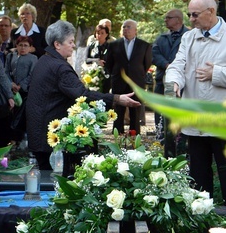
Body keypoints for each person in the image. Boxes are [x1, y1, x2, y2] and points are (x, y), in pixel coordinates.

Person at [26, 20, 140, 170]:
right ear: (57, 44)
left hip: (39, 133)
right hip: (48, 138)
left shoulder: (44, 59)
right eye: (70, 42)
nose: (73, 45)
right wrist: (117, 98)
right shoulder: (59, 67)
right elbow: (82, 94)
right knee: (54, 179)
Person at [165, 0, 226, 198]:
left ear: (211, 12)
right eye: (188, 14)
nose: (190, 20)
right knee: (198, 180)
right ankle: (201, 222)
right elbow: (178, 65)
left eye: (194, 15)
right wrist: (174, 82)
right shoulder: (189, 37)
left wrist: (216, 73)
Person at [105, 19, 152, 134]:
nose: (125, 29)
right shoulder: (114, 45)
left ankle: (134, 135)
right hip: (119, 81)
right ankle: (117, 135)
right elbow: (109, 64)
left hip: (136, 82)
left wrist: (137, 73)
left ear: (135, 30)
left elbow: (147, 64)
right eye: (124, 27)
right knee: (118, 111)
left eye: (128, 27)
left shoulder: (144, 45)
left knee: (135, 111)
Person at [152, 9, 187, 153]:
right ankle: (163, 144)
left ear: (178, 20)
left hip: (182, 85)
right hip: (162, 82)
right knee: (161, 115)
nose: (165, 20)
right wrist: (167, 65)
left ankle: (182, 148)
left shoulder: (189, 36)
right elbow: (154, 54)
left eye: (168, 18)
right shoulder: (161, 38)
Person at [86, 23, 111, 93]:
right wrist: (96, 61)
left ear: (106, 34)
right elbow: (86, 60)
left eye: (102, 33)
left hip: (106, 76)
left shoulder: (110, 47)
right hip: (92, 74)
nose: (99, 35)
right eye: (98, 33)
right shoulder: (91, 46)